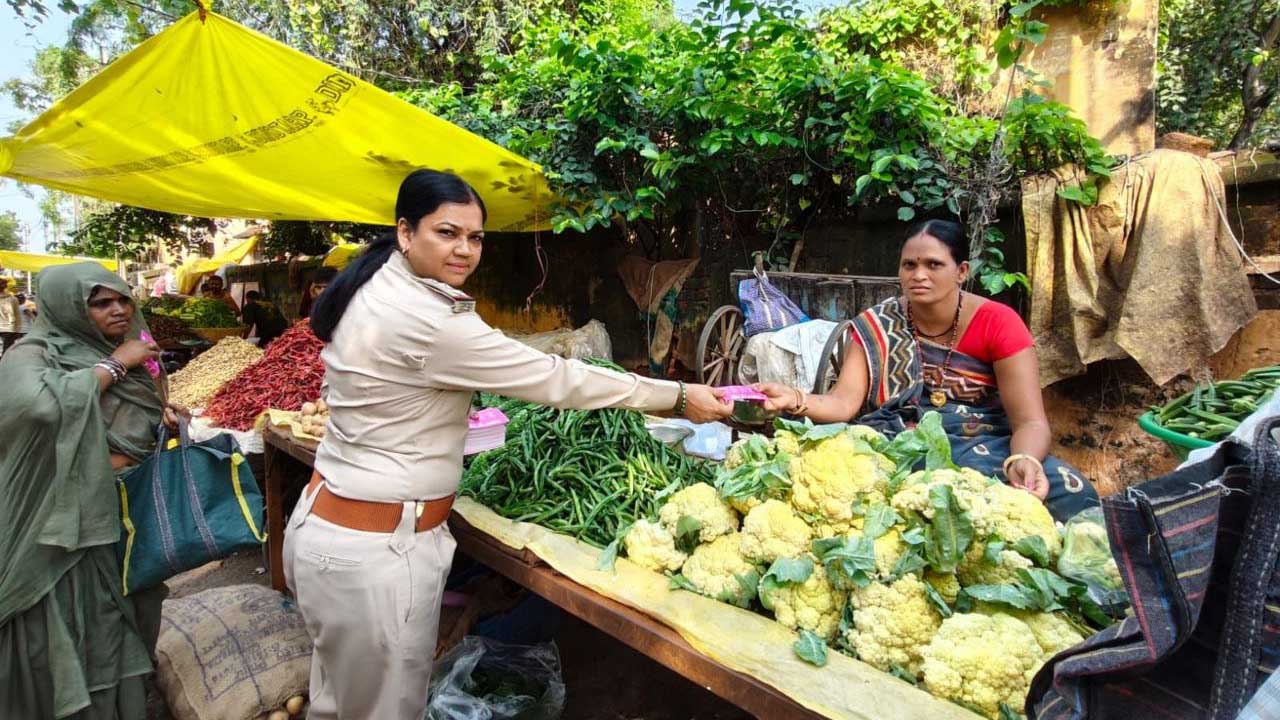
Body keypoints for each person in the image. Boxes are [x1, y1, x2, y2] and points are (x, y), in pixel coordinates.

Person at [282, 169, 734, 720]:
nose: (465, 250)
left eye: (475, 238)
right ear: (405, 232)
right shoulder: (430, 321)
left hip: (332, 529)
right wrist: (679, 395)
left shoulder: (374, 284)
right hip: (375, 555)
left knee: (337, 706)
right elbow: (561, 379)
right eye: (447, 233)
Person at [755, 219, 1097, 521]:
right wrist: (794, 398)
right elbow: (844, 403)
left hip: (981, 445)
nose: (919, 275)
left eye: (934, 264)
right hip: (896, 443)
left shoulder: (999, 323)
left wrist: (1024, 460)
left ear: (962, 271)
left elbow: (1031, 422)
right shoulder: (876, 325)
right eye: (909, 265)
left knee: (1073, 493)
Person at [0, 262, 181, 719]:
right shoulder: (32, 354)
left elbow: (133, 418)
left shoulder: (133, 348)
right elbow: (40, 408)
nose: (118, 309)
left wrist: (164, 417)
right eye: (101, 303)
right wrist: (115, 366)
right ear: (67, 308)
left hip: (125, 515)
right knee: (67, 627)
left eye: (122, 299)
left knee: (123, 623)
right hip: (62, 526)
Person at [0, 277, 21, 354]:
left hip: (8, 328)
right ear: (6, 286)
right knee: (7, 352)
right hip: (9, 328)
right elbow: (17, 316)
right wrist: (18, 329)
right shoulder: (13, 299)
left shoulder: (13, 299)